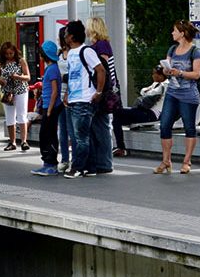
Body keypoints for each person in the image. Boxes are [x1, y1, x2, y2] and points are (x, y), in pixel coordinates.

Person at [156, 20, 200, 175]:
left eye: (174, 30)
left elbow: (197, 74)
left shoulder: (195, 51)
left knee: (189, 127)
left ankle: (186, 161)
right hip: (172, 92)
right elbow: (166, 68)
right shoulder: (172, 49)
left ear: (182, 33)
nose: (172, 33)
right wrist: (166, 71)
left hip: (188, 95)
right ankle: (166, 161)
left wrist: (181, 73)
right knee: (164, 125)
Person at [62, 20, 106, 179]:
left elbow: (100, 70)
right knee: (83, 136)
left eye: (66, 33)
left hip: (85, 99)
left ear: (72, 36)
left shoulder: (86, 51)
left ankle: (78, 168)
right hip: (74, 99)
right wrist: (67, 93)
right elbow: (72, 77)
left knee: (81, 138)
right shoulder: (71, 53)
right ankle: (91, 167)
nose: (64, 36)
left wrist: (98, 92)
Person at [85, 17, 118, 173]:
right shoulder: (97, 45)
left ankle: (105, 162)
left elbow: (102, 68)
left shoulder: (101, 45)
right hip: (101, 90)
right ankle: (101, 161)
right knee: (98, 127)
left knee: (102, 127)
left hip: (103, 92)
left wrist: (99, 90)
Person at [112, 65, 167, 157]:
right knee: (117, 120)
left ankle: (121, 148)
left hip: (151, 114)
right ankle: (121, 148)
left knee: (117, 111)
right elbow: (143, 91)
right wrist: (147, 91)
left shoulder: (165, 85)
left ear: (161, 76)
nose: (152, 75)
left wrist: (147, 91)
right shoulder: (155, 84)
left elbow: (150, 92)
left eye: (154, 74)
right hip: (143, 111)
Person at [32, 40, 64, 176]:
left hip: (51, 107)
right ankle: (47, 163)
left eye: (41, 54)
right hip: (49, 106)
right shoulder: (52, 68)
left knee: (47, 135)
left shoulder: (51, 69)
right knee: (46, 134)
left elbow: (54, 91)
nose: (39, 57)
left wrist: (49, 109)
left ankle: (51, 164)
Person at [0, 42, 30, 151]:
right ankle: (12, 142)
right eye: (7, 54)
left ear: (15, 52)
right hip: (7, 92)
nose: (9, 56)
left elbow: (28, 77)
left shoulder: (21, 61)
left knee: (22, 115)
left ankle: (24, 141)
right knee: (10, 117)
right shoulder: (1, 63)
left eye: (11, 53)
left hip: (21, 90)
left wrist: (18, 77)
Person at [56, 26, 72, 172]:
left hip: (71, 95)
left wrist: (63, 78)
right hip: (60, 96)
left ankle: (74, 160)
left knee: (72, 130)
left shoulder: (74, 53)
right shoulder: (59, 54)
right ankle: (65, 159)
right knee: (62, 129)